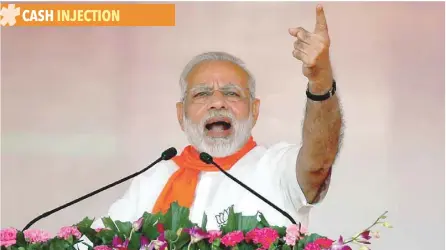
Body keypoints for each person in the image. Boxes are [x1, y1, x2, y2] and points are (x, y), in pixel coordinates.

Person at [92, 4, 342, 232]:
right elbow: (97, 242)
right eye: (202, 94)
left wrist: (320, 80)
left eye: (232, 93)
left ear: (254, 111)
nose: (218, 102)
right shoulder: (153, 181)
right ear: (181, 115)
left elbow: (318, 162)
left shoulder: (275, 169)